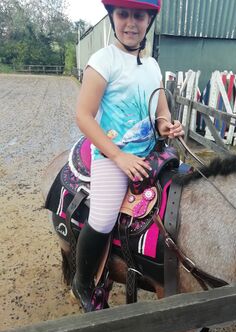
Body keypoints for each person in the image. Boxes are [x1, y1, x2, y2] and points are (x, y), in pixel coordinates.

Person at [72, 0, 184, 312]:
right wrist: (119, 157)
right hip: (112, 157)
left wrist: (168, 126)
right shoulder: (103, 60)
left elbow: (160, 112)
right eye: (123, 14)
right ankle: (81, 281)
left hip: (150, 155)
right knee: (104, 217)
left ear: (149, 20)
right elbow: (83, 115)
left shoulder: (152, 66)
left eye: (138, 15)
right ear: (113, 17)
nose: (130, 23)